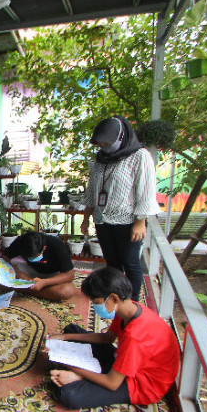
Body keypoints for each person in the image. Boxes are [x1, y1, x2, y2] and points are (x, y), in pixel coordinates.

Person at [46, 267, 180, 409]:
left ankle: (78, 377)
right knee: (71, 329)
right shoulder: (129, 309)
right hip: (128, 362)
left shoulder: (135, 336)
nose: (94, 306)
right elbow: (107, 338)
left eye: (96, 302)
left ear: (114, 298)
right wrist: (64, 337)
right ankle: (80, 374)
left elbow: (112, 382)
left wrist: (69, 365)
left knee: (68, 394)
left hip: (141, 384)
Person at [80, 116, 161, 301]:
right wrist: (86, 218)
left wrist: (140, 222)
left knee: (130, 262)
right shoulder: (101, 158)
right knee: (112, 263)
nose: (103, 146)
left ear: (121, 137)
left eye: (107, 143)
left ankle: (131, 301)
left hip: (128, 221)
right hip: (103, 220)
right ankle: (115, 295)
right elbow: (92, 189)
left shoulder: (140, 156)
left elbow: (146, 191)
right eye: (100, 143)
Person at [0, 231, 77, 301]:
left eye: (36, 256)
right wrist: (15, 270)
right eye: (29, 258)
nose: (33, 259)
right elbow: (4, 258)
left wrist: (44, 282)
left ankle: (23, 288)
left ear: (44, 248)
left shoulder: (56, 244)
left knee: (67, 291)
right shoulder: (21, 242)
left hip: (52, 275)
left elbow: (69, 275)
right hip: (29, 272)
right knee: (1, 278)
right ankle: (34, 288)